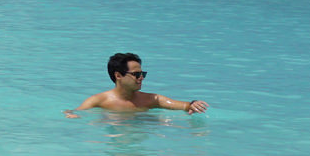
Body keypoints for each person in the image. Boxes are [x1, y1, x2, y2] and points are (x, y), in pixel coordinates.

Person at [69, 53, 209, 116]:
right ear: (118, 75)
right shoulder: (99, 100)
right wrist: (72, 115)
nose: (141, 78)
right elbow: (73, 112)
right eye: (136, 74)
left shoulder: (151, 99)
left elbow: (183, 105)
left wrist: (192, 104)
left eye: (143, 74)